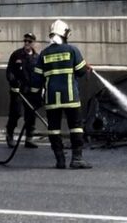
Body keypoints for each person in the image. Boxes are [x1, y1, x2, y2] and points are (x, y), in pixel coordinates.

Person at [31, 19, 92, 169]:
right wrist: (86, 67)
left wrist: (34, 97)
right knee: (76, 127)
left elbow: (36, 79)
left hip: (52, 99)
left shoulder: (44, 54)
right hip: (70, 97)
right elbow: (81, 71)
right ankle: (77, 159)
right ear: (64, 34)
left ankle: (60, 160)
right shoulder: (72, 50)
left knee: (53, 129)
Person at [5, 32, 39, 149]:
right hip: (17, 90)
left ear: (34, 43)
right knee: (15, 113)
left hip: (30, 91)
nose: (26, 43)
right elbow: (9, 71)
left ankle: (29, 138)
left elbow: (39, 74)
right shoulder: (16, 55)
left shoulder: (37, 57)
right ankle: (10, 134)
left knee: (31, 115)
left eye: (29, 41)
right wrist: (13, 81)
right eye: (25, 41)